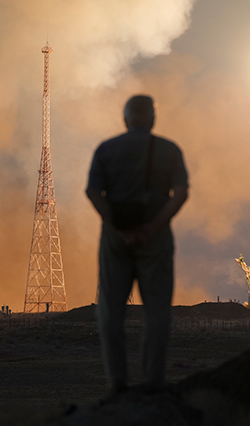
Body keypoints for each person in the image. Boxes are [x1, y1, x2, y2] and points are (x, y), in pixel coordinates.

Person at [85, 95, 188, 395]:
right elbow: (180, 193)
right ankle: (153, 382)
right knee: (157, 312)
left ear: (125, 117)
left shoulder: (106, 150)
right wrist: (154, 226)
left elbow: (93, 192)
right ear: (153, 118)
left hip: (115, 242)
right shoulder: (169, 150)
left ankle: (117, 383)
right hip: (156, 241)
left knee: (110, 312)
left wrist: (117, 228)